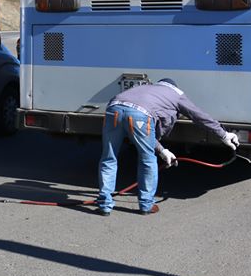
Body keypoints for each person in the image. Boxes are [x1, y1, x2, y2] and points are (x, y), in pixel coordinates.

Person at [97, 78, 239, 216]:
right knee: (147, 160)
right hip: (140, 115)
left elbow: (144, 132)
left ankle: (104, 205)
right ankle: (146, 205)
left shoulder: (147, 88)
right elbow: (200, 116)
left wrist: (163, 151)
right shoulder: (176, 94)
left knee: (109, 157)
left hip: (113, 109)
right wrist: (224, 135)